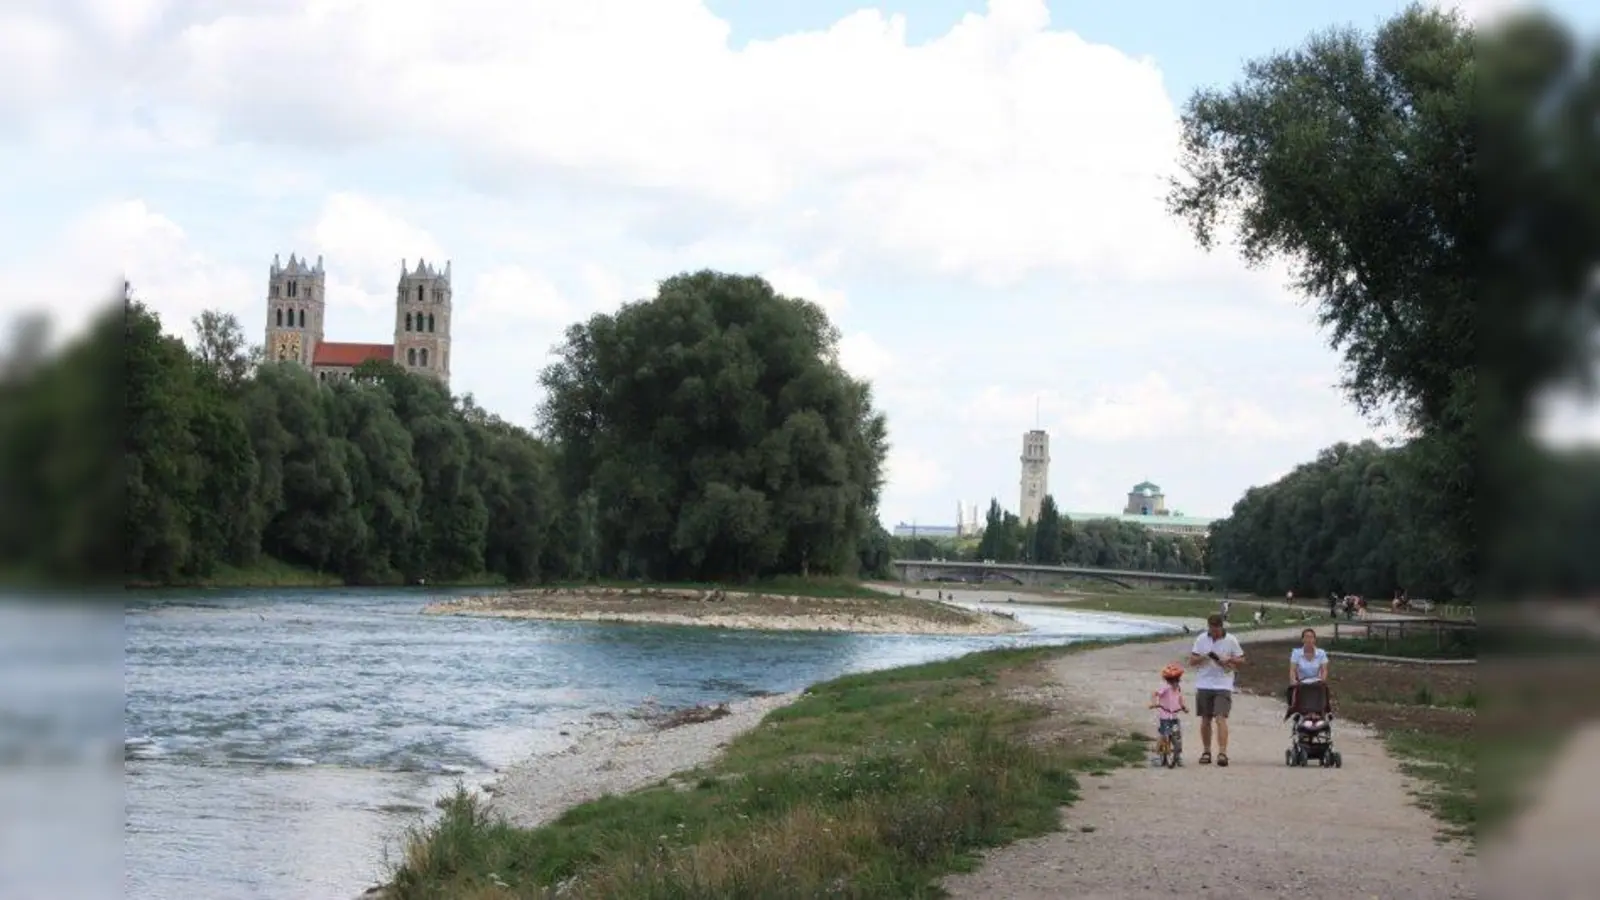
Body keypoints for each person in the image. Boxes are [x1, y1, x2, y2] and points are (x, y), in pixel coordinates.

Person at [1188, 613, 1245, 766]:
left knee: (1220, 718)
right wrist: (1205, 656)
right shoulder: (1201, 639)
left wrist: (1229, 659)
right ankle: (1206, 751)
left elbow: (1242, 659)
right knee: (1205, 719)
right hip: (1204, 683)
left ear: (1221, 627)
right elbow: (1192, 661)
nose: (1214, 633)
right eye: (1211, 630)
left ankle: (1222, 753)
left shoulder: (1231, 640)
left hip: (1223, 684)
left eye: (1216, 630)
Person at [1148, 662, 1189, 750]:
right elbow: (1155, 694)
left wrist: (1183, 707)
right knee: (1164, 733)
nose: (1175, 682)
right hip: (1165, 715)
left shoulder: (1178, 688)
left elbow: (1179, 698)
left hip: (1174, 715)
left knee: (1176, 733)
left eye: (1177, 680)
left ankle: (1177, 751)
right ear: (1167, 680)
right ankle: (1158, 748)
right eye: (1172, 680)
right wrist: (1154, 703)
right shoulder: (1165, 688)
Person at [1286, 628, 1329, 705]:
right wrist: (1293, 681)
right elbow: (1292, 670)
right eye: (1306, 637)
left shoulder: (1321, 653)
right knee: (1292, 691)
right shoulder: (1296, 653)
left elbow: (1324, 670)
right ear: (1302, 640)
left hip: (1317, 682)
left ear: (1314, 640)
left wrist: (1323, 680)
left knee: (1324, 690)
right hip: (1301, 682)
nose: (1309, 640)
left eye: (1311, 637)